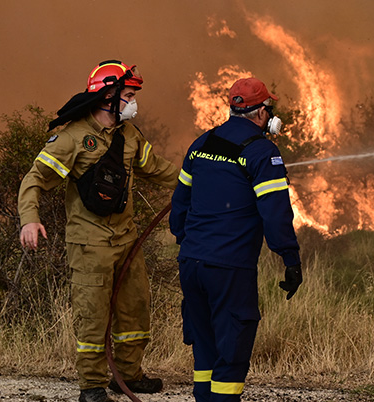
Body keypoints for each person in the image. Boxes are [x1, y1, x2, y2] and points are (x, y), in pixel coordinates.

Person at [18, 60, 179, 402]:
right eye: (130, 94)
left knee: (135, 309)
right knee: (92, 315)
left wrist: (197, 180)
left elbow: (158, 169)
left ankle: (129, 375)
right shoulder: (72, 138)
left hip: (127, 240)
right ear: (110, 95)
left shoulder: (129, 135)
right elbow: (34, 179)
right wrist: (29, 219)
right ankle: (91, 384)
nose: (134, 101)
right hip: (89, 245)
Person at [169, 76, 303, 402]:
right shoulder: (262, 152)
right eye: (269, 108)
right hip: (229, 268)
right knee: (232, 355)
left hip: (192, 264)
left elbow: (179, 207)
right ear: (260, 114)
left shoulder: (201, 144)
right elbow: (275, 213)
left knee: (205, 351)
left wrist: (189, 242)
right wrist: (290, 258)